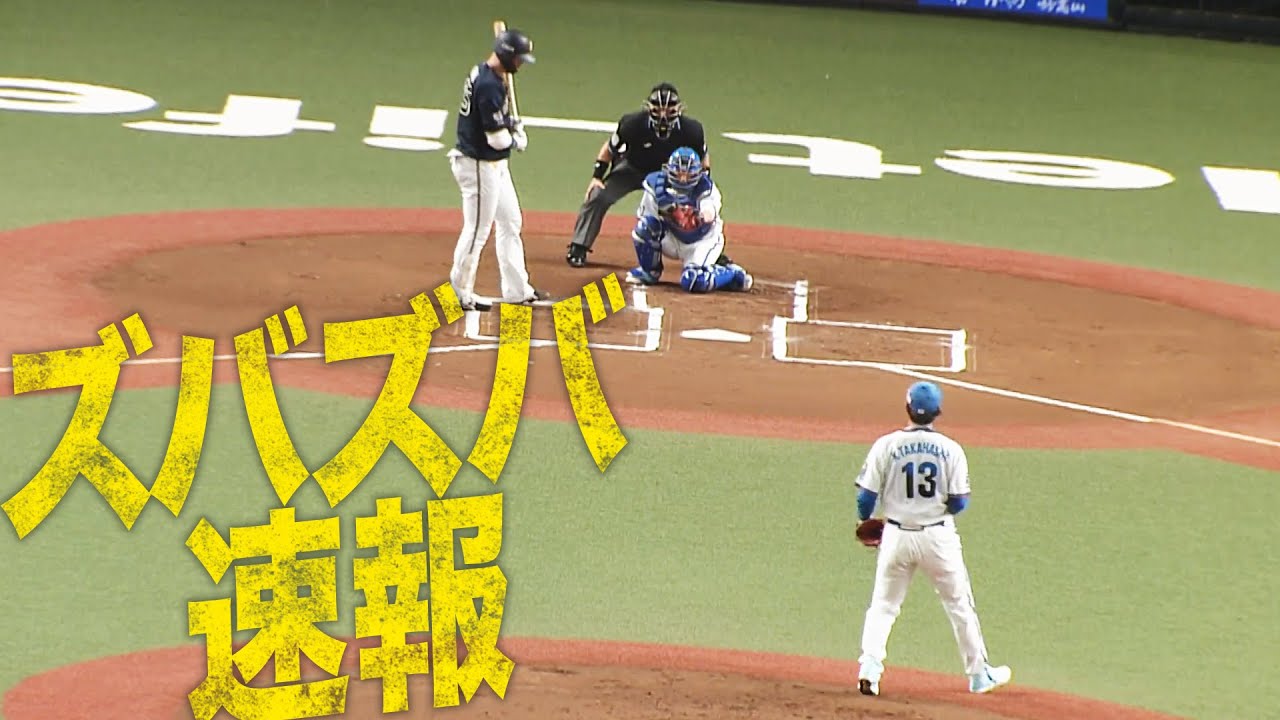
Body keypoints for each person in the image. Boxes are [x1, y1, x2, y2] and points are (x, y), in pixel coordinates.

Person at [852, 382, 1013, 697]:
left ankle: (869, 670)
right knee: (959, 605)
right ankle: (979, 675)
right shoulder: (951, 449)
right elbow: (959, 502)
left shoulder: (886, 444)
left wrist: (864, 519)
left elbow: (865, 497)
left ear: (907, 408)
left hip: (896, 536)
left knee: (883, 605)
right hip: (938, 537)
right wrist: (932, 509)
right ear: (937, 412)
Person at [566, 82, 733, 269]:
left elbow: (703, 159)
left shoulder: (692, 130)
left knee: (696, 207)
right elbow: (609, 149)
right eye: (658, 110)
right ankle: (579, 245)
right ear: (648, 108)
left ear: (679, 110)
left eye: (669, 111)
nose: (663, 116)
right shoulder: (632, 124)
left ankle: (711, 251)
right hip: (633, 169)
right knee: (598, 195)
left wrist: (700, 186)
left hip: (672, 177)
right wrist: (597, 177)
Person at [447, 27, 549, 312]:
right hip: (478, 165)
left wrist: (509, 124)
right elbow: (496, 139)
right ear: (506, 55)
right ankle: (460, 291)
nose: (520, 65)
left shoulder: (487, 74)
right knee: (477, 230)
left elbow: (493, 121)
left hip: (493, 164)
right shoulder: (489, 85)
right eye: (518, 59)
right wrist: (515, 139)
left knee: (510, 221)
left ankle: (517, 289)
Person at [625, 146, 752, 294]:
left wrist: (699, 216)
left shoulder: (706, 189)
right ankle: (649, 272)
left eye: (687, 175)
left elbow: (709, 211)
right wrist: (671, 213)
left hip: (701, 241)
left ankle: (732, 274)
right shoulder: (656, 187)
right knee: (645, 228)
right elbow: (646, 217)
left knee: (693, 280)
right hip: (672, 237)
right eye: (679, 174)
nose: (683, 179)